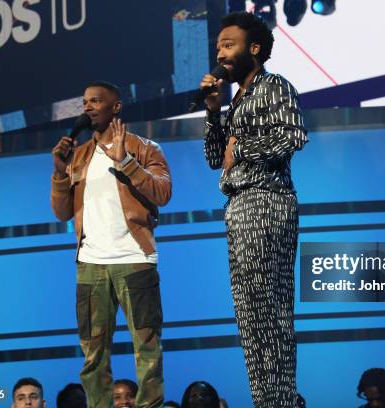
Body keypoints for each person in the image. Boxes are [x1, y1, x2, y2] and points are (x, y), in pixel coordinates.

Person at [200, 11, 307, 408]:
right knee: (250, 315)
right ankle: (266, 399)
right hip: (239, 206)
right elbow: (216, 158)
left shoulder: (273, 86)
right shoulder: (236, 101)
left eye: (229, 45)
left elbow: (294, 135)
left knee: (270, 310)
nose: (221, 53)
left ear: (254, 49)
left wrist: (241, 148)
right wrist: (213, 112)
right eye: (218, 48)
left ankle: (280, 400)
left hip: (267, 200)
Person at [50, 80, 172, 408]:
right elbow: (62, 211)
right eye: (85, 102)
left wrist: (126, 163)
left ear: (115, 107)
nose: (87, 107)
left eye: (95, 101)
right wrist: (60, 172)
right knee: (93, 355)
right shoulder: (78, 156)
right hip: (90, 264)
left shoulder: (145, 148)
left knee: (147, 347)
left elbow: (163, 192)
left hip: (134, 259)